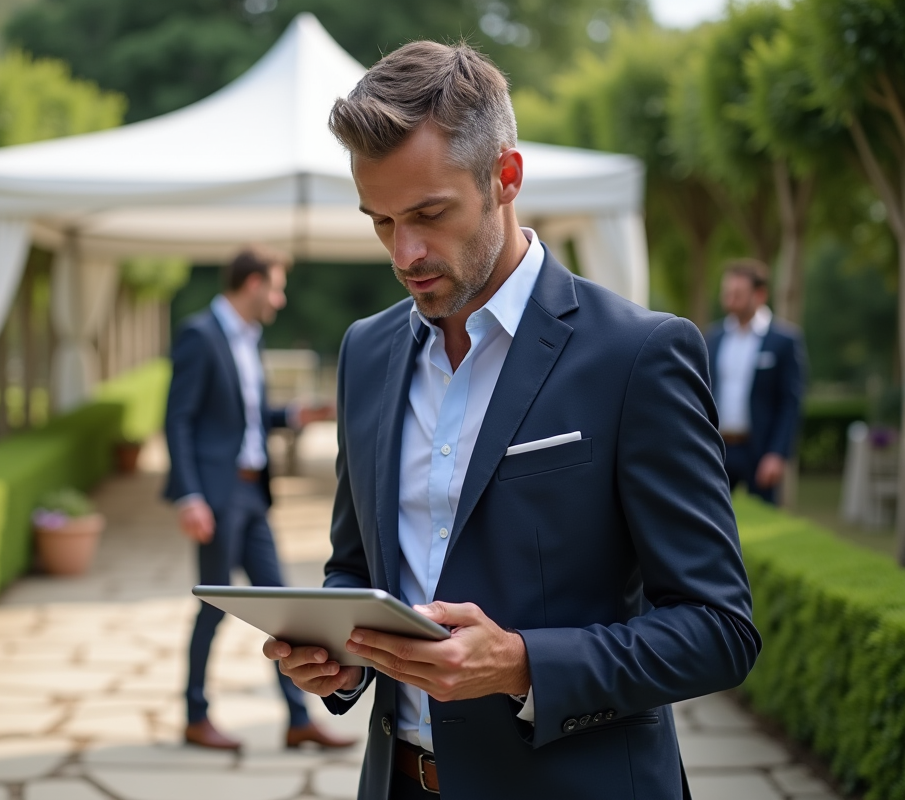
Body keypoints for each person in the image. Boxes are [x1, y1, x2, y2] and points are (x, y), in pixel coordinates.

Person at [263, 41, 760, 799]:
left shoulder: (638, 354)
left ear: (506, 177)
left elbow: (719, 630)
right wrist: (338, 653)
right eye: (381, 220)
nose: (406, 251)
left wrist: (526, 663)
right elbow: (357, 567)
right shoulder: (366, 352)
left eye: (430, 213)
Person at [164, 246, 354, 752]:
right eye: (275, 286)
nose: (280, 297)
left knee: (284, 609)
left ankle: (297, 720)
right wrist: (189, 495)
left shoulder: (249, 337)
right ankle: (195, 716)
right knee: (213, 606)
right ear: (251, 285)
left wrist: (292, 417)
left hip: (252, 494)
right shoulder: (200, 335)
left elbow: (243, 418)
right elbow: (178, 418)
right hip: (217, 495)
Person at [705, 259, 807, 505]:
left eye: (738, 293)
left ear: (759, 295)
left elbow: (790, 403)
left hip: (760, 451)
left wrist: (777, 453)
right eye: (727, 292)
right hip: (717, 449)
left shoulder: (784, 341)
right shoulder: (713, 338)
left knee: (762, 523)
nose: (730, 299)